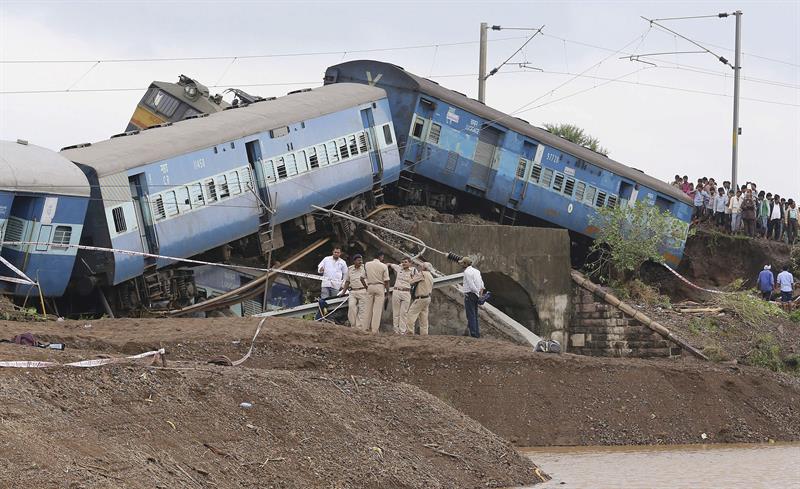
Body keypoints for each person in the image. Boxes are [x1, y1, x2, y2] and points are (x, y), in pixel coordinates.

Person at [388, 257, 418, 334]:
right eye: (403, 262)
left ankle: (402, 331)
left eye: (405, 262)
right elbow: (389, 264)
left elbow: (417, 280)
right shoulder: (399, 268)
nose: (404, 263)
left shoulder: (414, 271)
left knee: (403, 313)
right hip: (396, 291)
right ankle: (396, 331)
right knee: (396, 312)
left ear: (410, 263)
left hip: (406, 292)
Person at [363, 252, 390, 333]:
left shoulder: (367, 264)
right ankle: (374, 329)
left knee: (368, 308)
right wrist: (387, 292)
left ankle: (365, 328)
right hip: (379, 286)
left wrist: (366, 287)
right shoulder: (383, 266)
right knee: (377, 310)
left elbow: (362, 278)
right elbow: (387, 281)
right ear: (380, 257)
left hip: (370, 285)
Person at [341, 254, 368, 331]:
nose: (360, 261)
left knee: (362, 310)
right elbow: (347, 281)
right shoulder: (350, 269)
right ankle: (353, 326)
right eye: (358, 260)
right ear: (354, 261)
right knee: (352, 307)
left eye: (361, 260)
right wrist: (343, 292)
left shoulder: (365, 268)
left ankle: (359, 328)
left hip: (363, 290)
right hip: (353, 291)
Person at [459, 256, 485, 338]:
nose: (461, 265)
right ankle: (476, 333)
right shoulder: (477, 271)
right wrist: (479, 294)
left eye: (462, 263)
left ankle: (473, 334)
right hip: (475, 295)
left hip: (470, 294)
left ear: (465, 264)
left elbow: (471, 285)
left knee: (470, 315)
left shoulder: (467, 272)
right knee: (474, 314)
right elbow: (482, 284)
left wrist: (476, 292)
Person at [407, 262, 434, 335]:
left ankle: (410, 332)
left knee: (410, 315)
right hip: (427, 298)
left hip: (420, 298)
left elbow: (411, 282)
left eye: (421, 266)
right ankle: (424, 334)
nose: (420, 268)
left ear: (424, 268)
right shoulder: (430, 276)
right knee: (424, 318)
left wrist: (411, 275)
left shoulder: (422, 273)